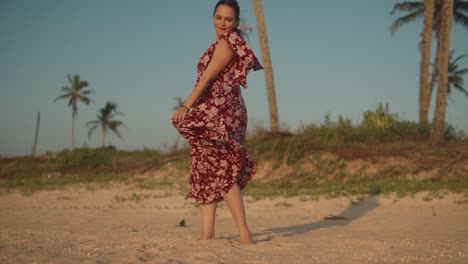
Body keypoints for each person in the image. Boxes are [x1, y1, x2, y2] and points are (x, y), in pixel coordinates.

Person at [170, 0, 263, 245]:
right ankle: (208, 233)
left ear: (236, 22)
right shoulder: (221, 43)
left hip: (222, 110)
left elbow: (207, 79)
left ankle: (244, 232)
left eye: (229, 19)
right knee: (204, 165)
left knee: (221, 166)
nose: (223, 23)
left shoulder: (227, 43)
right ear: (213, 17)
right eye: (219, 17)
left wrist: (185, 105)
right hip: (214, 108)